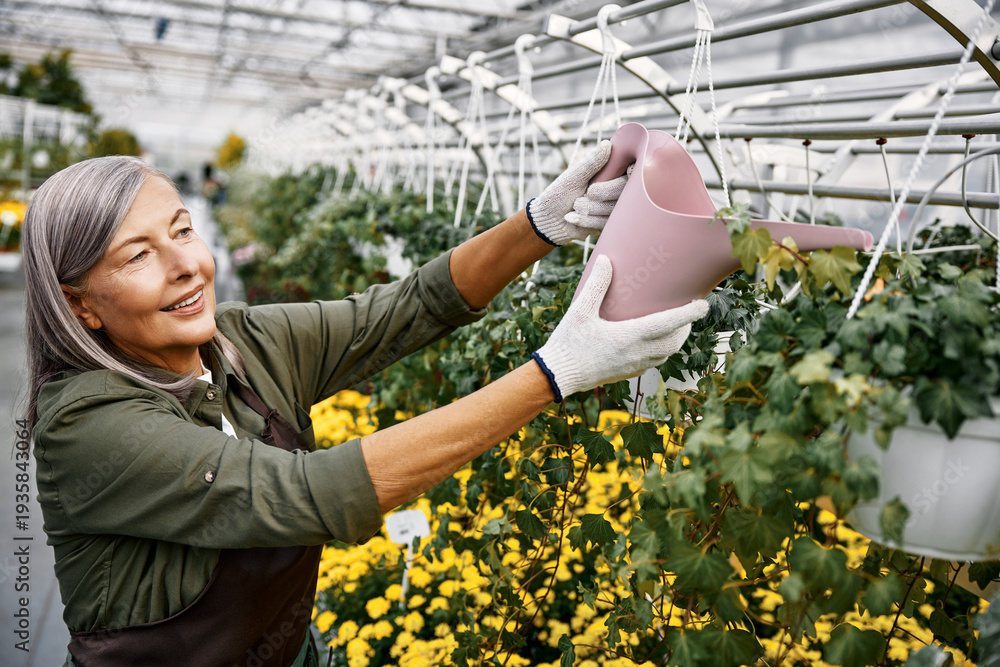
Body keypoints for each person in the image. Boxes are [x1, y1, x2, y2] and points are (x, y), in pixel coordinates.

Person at [22, 147, 708, 667]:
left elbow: (405, 308)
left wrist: (538, 225)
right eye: (140, 254)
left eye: (181, 230)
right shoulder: (86, 426)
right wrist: (555, 373)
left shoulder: (239, 342)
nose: (185, 266)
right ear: (79, 301)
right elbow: (311, 492)